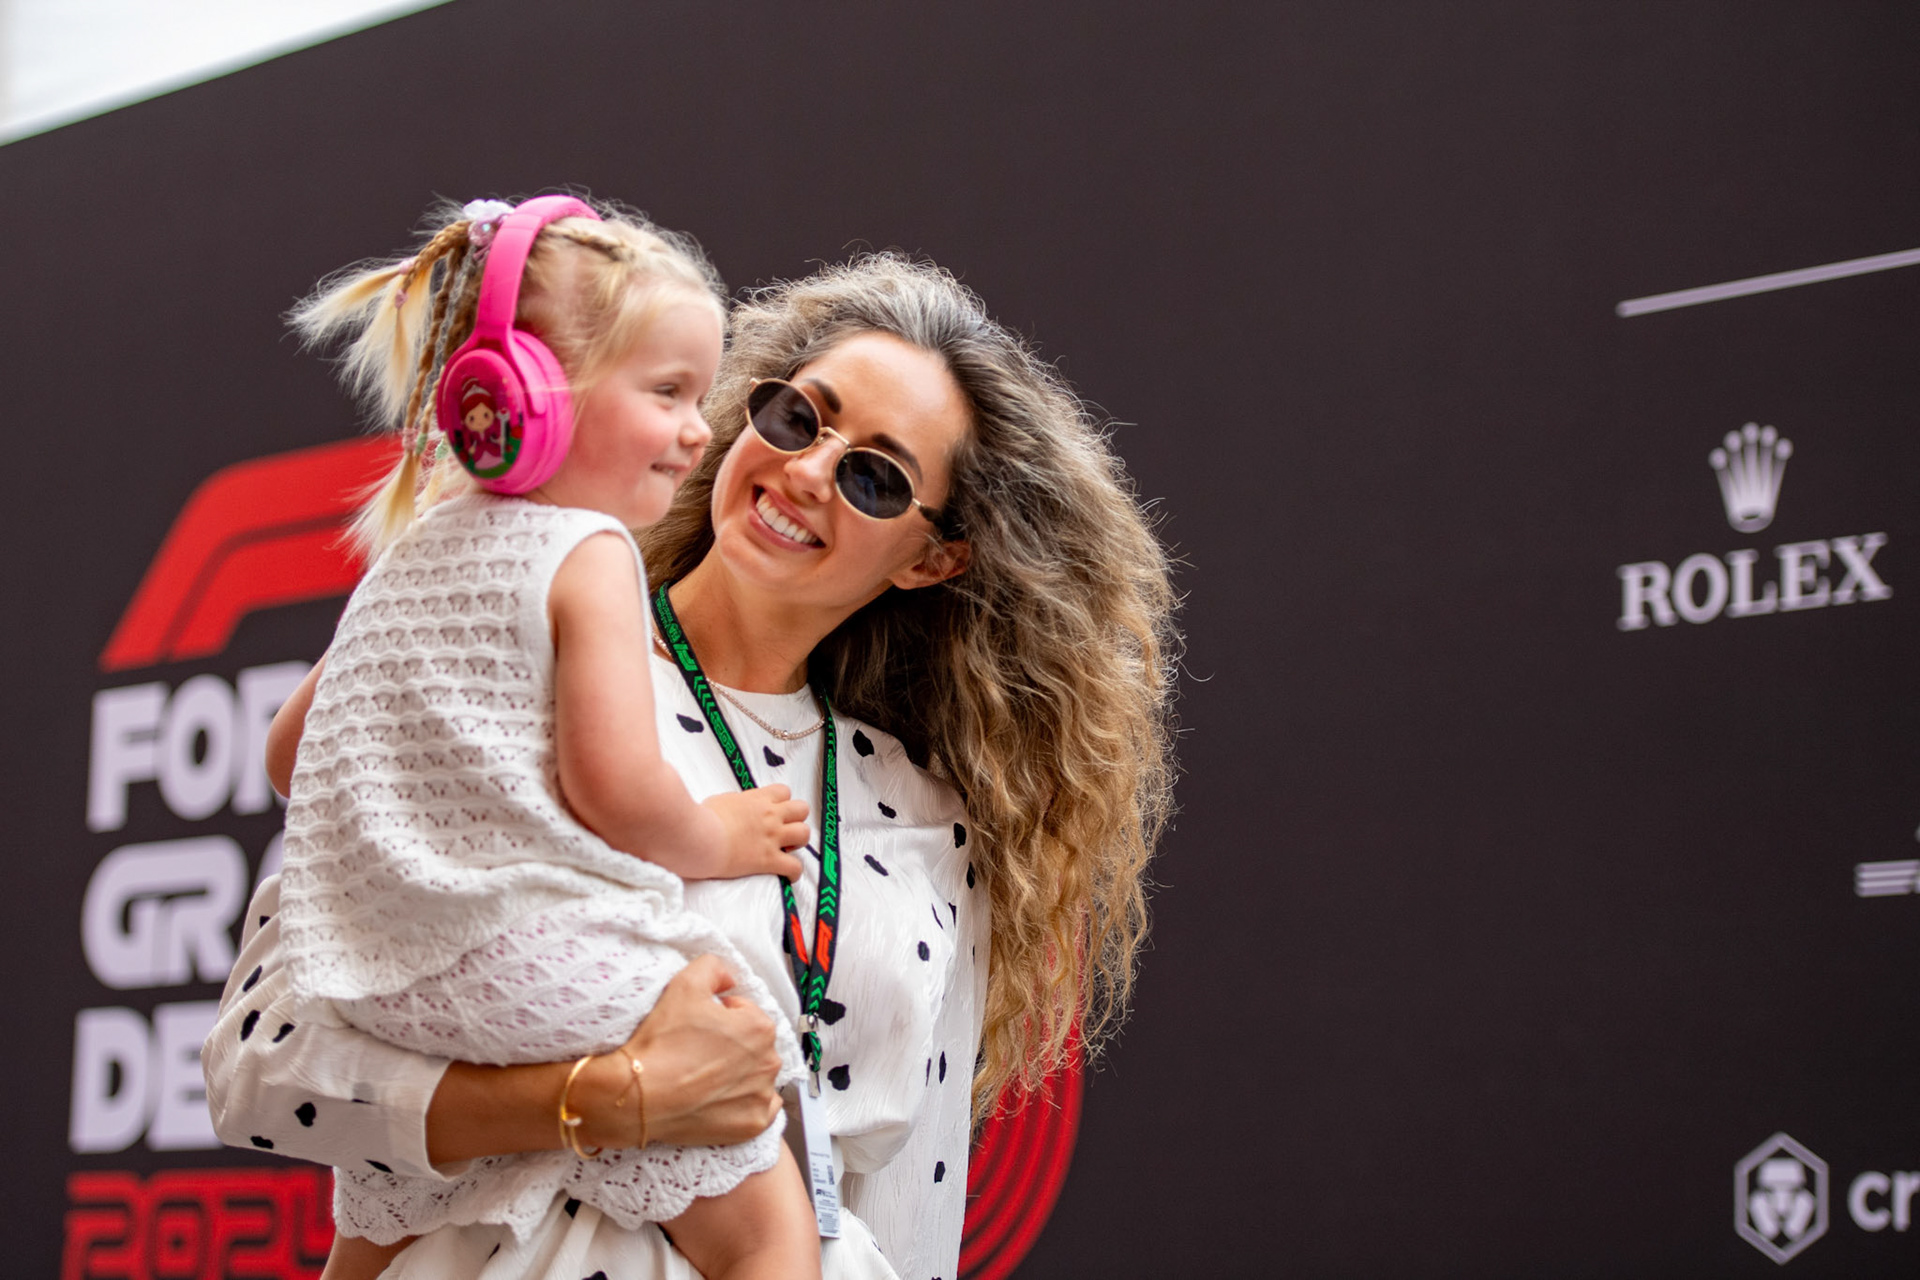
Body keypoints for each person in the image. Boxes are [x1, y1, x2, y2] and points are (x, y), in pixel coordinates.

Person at [207, 250, 1178, 1280]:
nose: (806, 469)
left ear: (932, 559)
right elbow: (266, 1061)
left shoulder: (930, 815)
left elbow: (909, 1196)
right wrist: (605, 1096)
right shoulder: (515, 656)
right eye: (799, 417)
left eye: (874, 475)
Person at [262, 195, 821, 1280]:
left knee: (378, 1231)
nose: (699, 430)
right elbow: (614, 785)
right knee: (767, 1228)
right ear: (529, 395)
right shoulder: (589, 550)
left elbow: (293, 756)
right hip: (524, 960)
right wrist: (725, 833)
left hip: (375, 982)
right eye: (667, 393)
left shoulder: (412, 552)